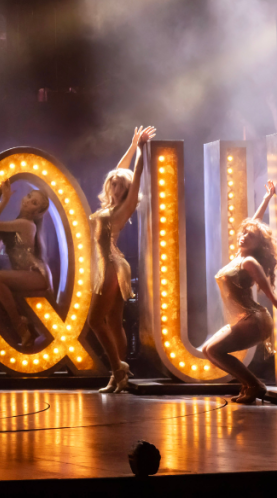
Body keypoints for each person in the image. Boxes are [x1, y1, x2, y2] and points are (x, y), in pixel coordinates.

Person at [202, 181, 277, 403]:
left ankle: (255, 385)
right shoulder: (238, 257)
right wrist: (266, 199)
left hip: (254, 319)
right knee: (208, 350)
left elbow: (270, 295)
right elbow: (253, 223)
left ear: (258, 244)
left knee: (215, 351)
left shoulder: (249, 262)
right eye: (244, 233)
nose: (244, 236)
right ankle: (249, 385)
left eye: (250, 236)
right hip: (242, 319)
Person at [89, 125, 157, 393]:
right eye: (113, 183)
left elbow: (135, 174)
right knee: (114, 322)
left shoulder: (125, 207)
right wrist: (131, 145)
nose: (115, 186)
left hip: (111, 265)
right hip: (108, 264)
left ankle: (118, 369)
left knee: (95, 322)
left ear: (127, 190)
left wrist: (141, 149)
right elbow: (120, 169)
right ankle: (117, 377)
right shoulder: (110, 206)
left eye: (120, 185)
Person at [0, 182, 53, 348]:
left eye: (34, 203)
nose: (28, 201)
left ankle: (21, 328)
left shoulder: (26, 224)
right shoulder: (19, 221)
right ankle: (23, 325)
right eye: (29, 196)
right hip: (26, 273)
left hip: (37, 275)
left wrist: (5, 199)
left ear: (36, 212)